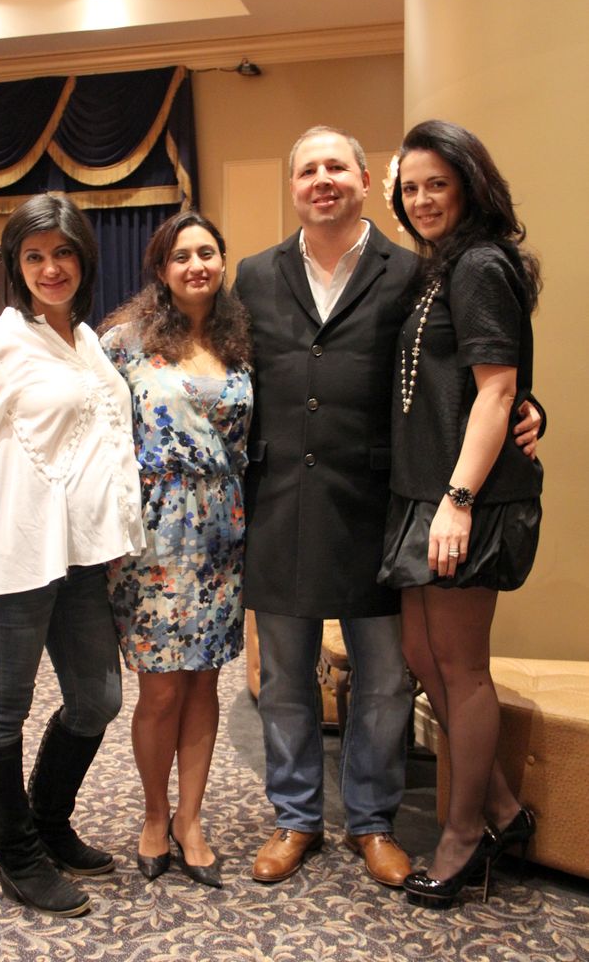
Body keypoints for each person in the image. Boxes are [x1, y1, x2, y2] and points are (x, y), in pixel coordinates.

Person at [233, 125, 541, 889]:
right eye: (307, 169)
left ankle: (371, 822)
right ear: (292, 186)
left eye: (336, 167)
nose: (321, 180)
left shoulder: (413, 271)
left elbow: (472, 368)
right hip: (279, 504)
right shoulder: (254, 275)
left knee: (383, 680)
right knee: (284, 678)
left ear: (365, 182)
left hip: (380, 506)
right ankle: (295, 817)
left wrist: (529, 407)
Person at [0, 194, 145, 917]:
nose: (50, 268)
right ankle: (16, 853)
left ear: (83, 259)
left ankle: (48, 821)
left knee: (98, 698)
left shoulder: (85, 341)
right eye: (34, 256)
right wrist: (1, 512)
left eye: (63, 253)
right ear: (15, 265)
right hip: (12, 550)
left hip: (80, 553)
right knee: (3, 705)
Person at [378, 119, 543, 908]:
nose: (421, 200)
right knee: (422, 654)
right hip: (422, 492)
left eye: (436, 184)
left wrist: (457, 502)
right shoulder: (438, 265)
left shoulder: (478, 263)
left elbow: (497, 388)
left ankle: (462, 837)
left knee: (461, 666)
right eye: (410, 188)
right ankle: (504, 811)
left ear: (469, 186)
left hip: (459, 500)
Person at [100, 210, 252, 889]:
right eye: (181, 256)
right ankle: (154, 814)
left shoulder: (240, 342)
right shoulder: (123, 344)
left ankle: (191, 819)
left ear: (221, 261)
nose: (196, 265)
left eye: (207, 253)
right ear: (161, 269)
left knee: (204, 682)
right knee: (160, 689)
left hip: (222, 530)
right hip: (154, 534)